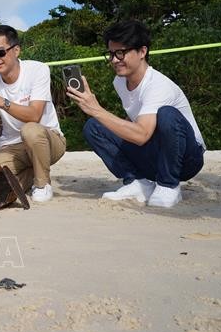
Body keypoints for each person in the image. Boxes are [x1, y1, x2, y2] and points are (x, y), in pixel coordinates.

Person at [67, 20, 205, 208]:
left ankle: (168, 184)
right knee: (94, 127)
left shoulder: (158, 85)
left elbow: (141, 135)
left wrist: (96, 109)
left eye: (121, 52)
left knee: (167, 114)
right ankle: (138, 183)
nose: (115, 60)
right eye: (111, 54)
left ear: (142, 51)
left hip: (187, 159)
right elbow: (134, 123)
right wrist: (97, 116)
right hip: (155, 155)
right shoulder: (119, 82)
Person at [0, 25, 66, 202]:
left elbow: (34, 116)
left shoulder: (38, 70)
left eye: (0, 52)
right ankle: (30, 175)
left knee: (30, 130)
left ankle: (42, 184)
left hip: (48, 139)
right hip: (13, 146)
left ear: (16, 50)